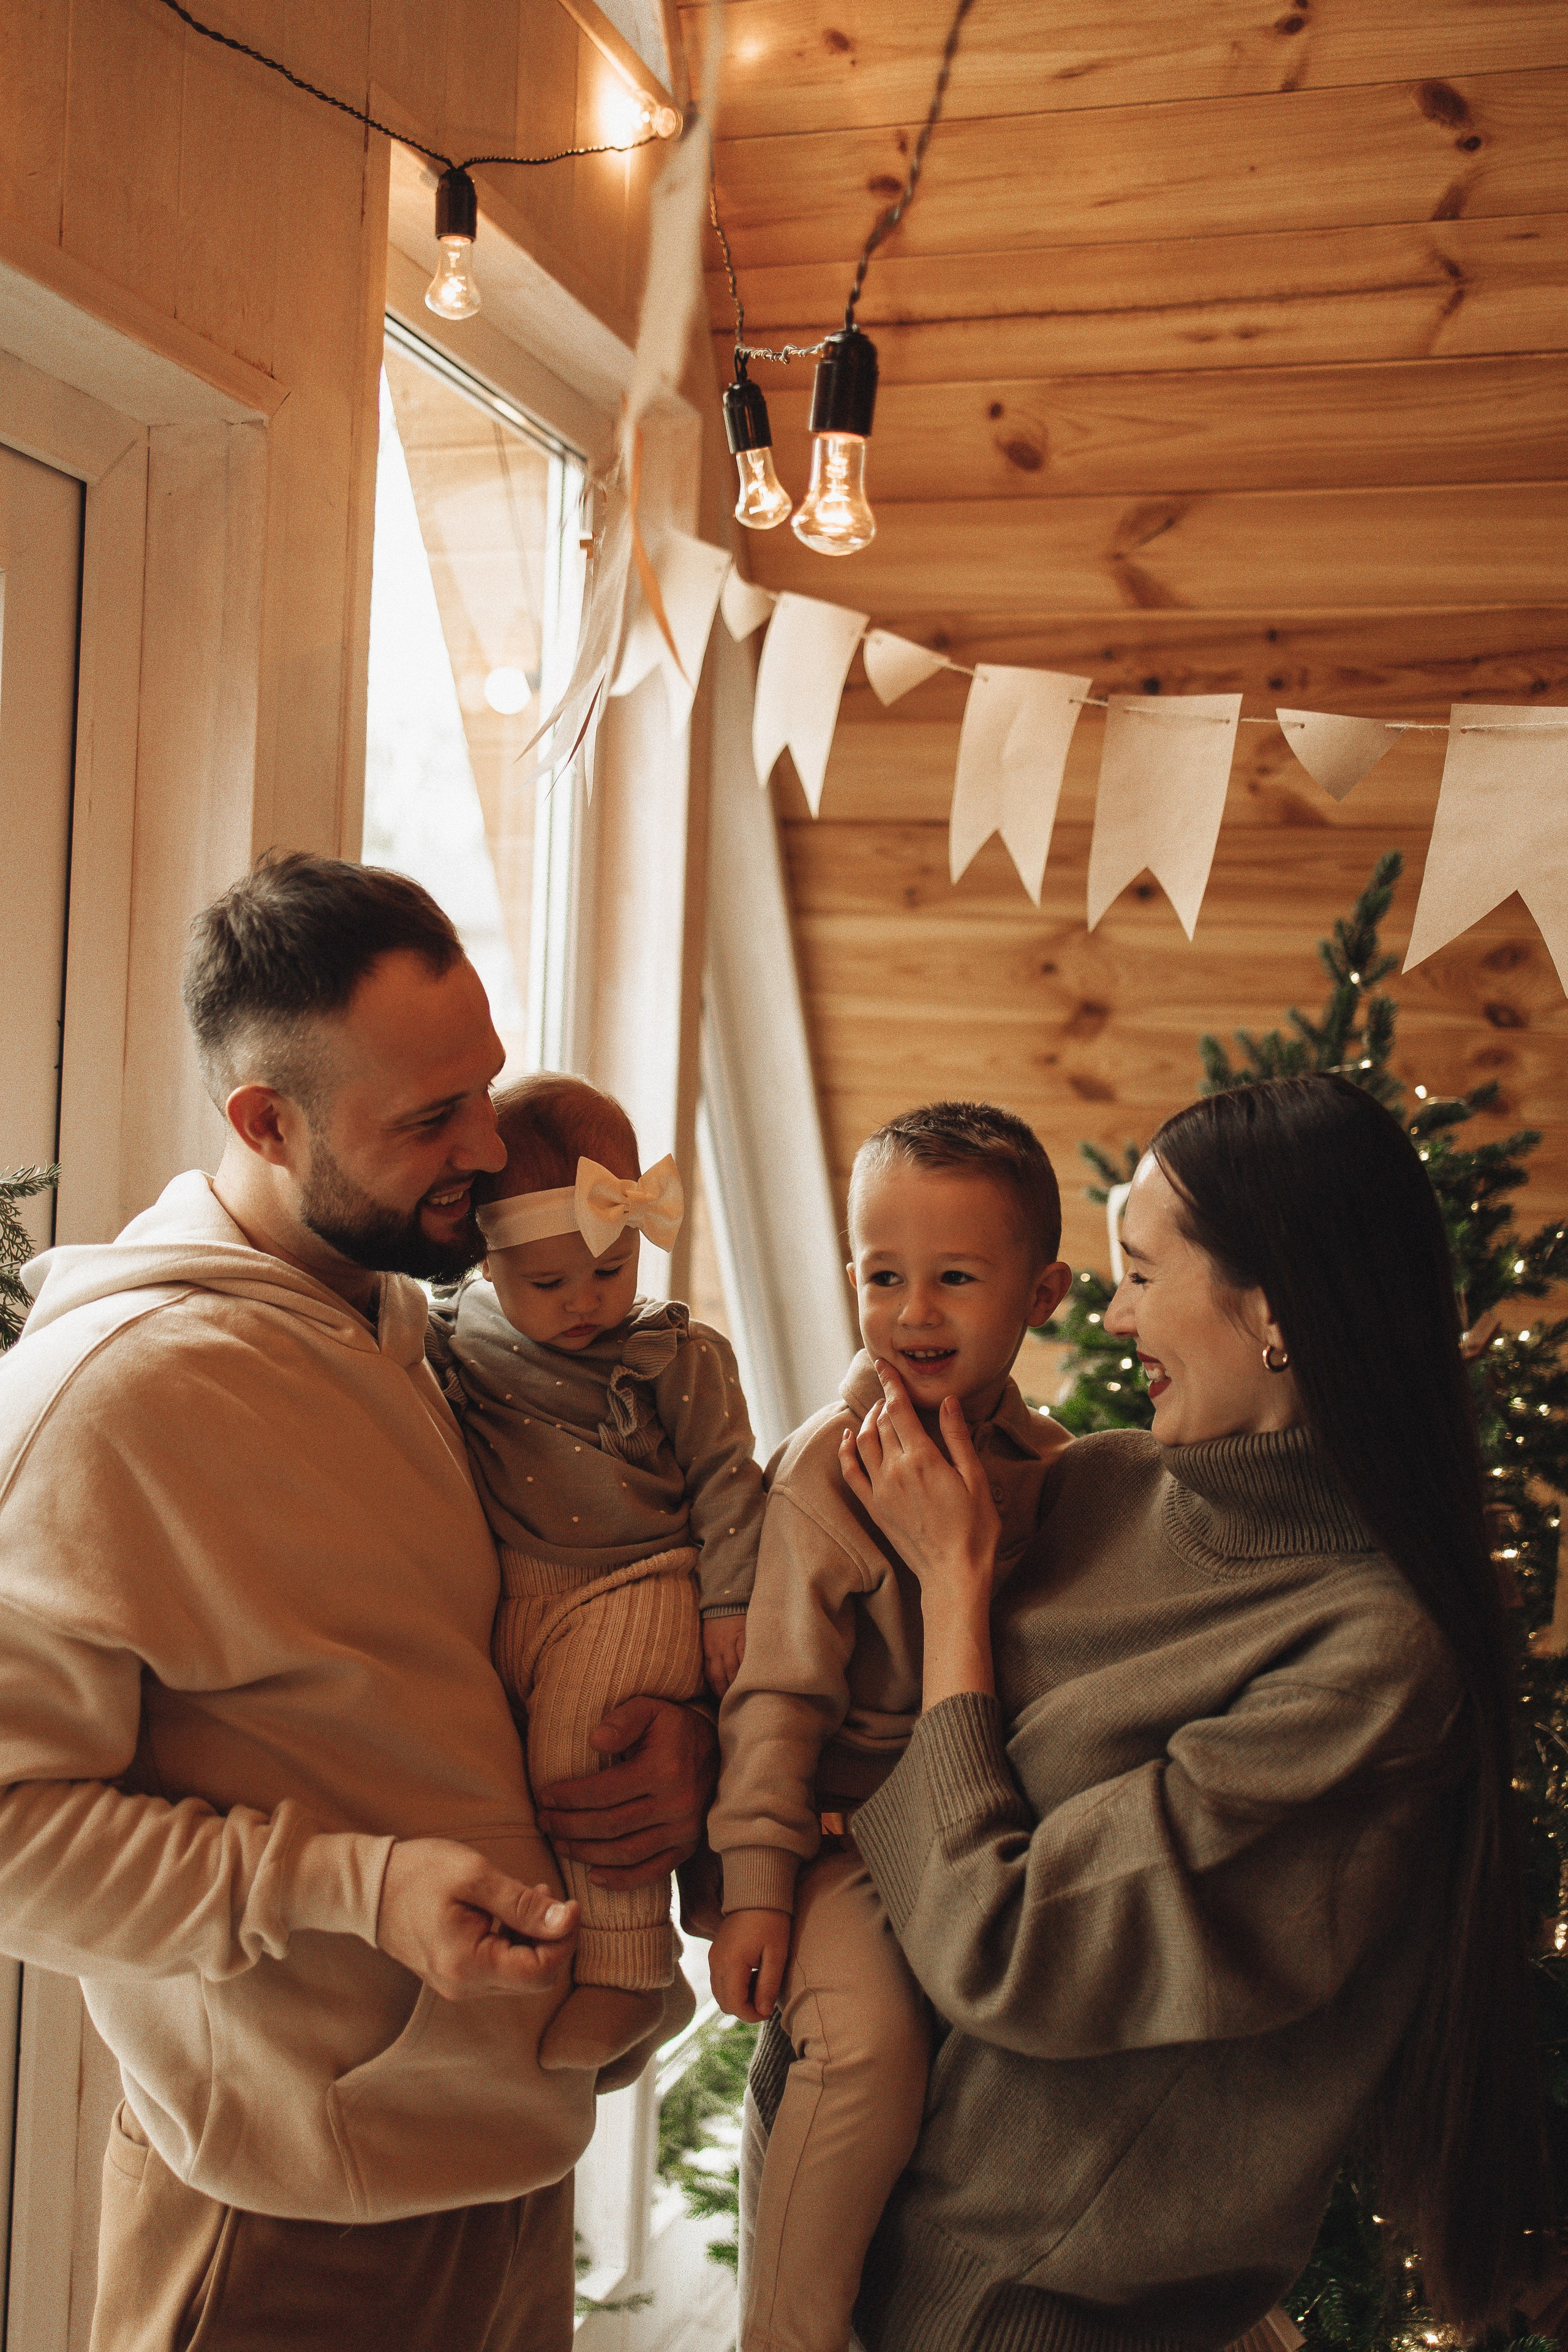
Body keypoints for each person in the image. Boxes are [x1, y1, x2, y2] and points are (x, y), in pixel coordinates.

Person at [0, 853, 715, 2352]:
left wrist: (673, 1745)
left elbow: (473, 1650)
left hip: (502, 2159)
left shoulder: (413, 1318)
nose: (494, 1146)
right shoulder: (109, 1405)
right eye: (427, 1120)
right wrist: (355, 1889)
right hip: (286, 2225)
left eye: (486, 1088)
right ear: (264, 1121)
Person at [787, 1071, 1550, 2351]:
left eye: (1139, 1271)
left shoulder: (1369, 1661)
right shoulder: (1102, 1486)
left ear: (1268, 1312)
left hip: (1012, 2314)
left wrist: (953, 1597)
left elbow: (1009, 1949)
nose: (1107, 1309)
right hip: (838, 2212)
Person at [708, 1102, 1073, 2352]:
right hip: (845, 1850)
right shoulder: (826, 1473)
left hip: (989, 1848)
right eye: (881, 1276)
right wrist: (756, 1887)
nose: (912, 1313)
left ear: (1042, 1294)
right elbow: (773, 1700)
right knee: (861, 2051)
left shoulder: (1063, 1470)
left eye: (955, 1280)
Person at [425, 1072, 764, 2074]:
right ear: (486, 1260)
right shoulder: (451, 1332)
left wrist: (731, 1602)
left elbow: (730, 1480)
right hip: (521, 1595)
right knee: (514, 1783)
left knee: (585, 1758)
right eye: (547, 1284)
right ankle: (642, 1939)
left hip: (640, 1583)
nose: (584, 1303)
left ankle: (631, 1975)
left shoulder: (671, 1354)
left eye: (612, 1270)